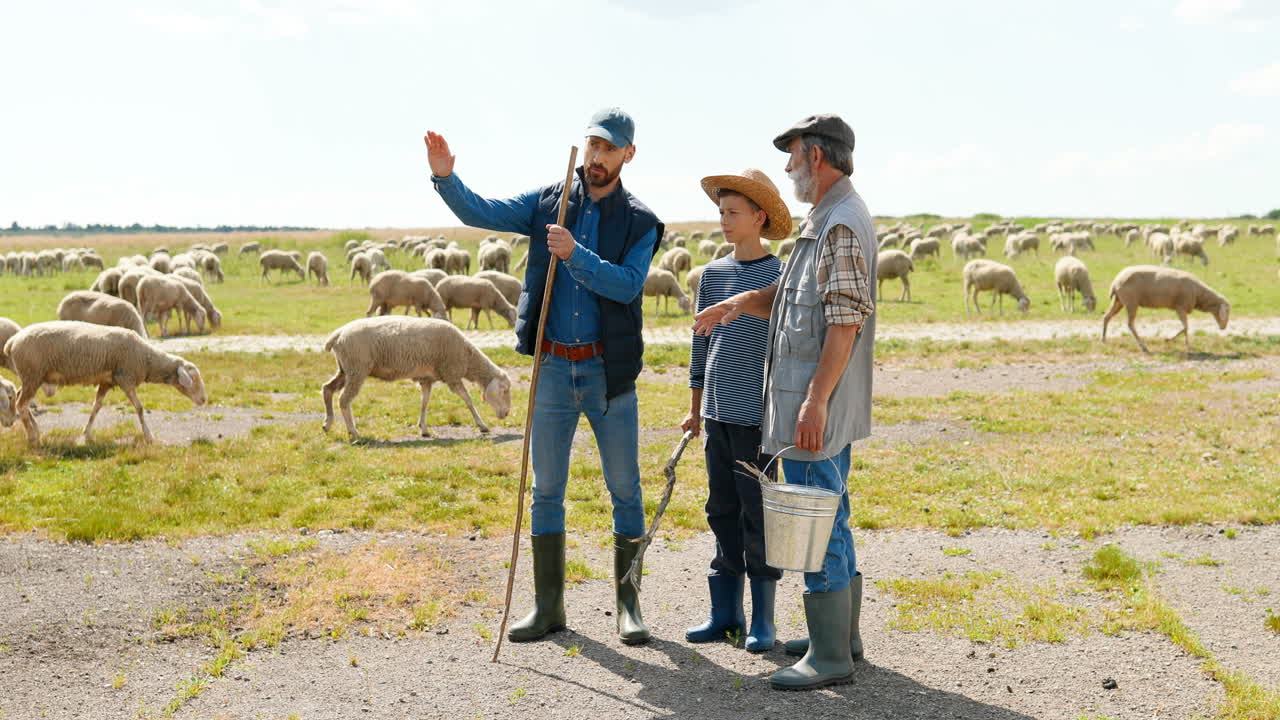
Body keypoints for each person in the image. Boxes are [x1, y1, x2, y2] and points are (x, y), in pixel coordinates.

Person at [424, 107, 663, 646]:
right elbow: (480, 210)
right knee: (545, 491)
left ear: (629, 154)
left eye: (610, 148)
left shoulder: (642, 221)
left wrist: (576, 255)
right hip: (553, 366)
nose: (598, 157)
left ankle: (629, 607)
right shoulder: (548, 202)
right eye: (593, 146)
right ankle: (547, 608)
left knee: (625, 489)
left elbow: (627, 285)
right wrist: (445, 177)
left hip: (608, 372)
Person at [692, 114, 876, 690]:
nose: (788, 165)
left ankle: (830, 658)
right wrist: (739, 302)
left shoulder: (840, 225)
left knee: (819, 520)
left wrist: (815, 400)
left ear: (816, 157)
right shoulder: (825, 221)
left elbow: (843, 324)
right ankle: (838, 637)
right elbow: (798, 296)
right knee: (833, 514)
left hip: (814, 405)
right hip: (810, 401)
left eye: (792, 155)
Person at [681, 169, 790, 652]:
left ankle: (763, 621)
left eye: (733, 213)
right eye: (720, 212)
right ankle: (725, 614)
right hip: (718, 412)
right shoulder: (712, 275)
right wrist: (694, 408)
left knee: (758, 513)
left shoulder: (778, 276)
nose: (724, 221)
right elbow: (700, 346)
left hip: (758, 418)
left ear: (758, 217)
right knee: (720, 508)